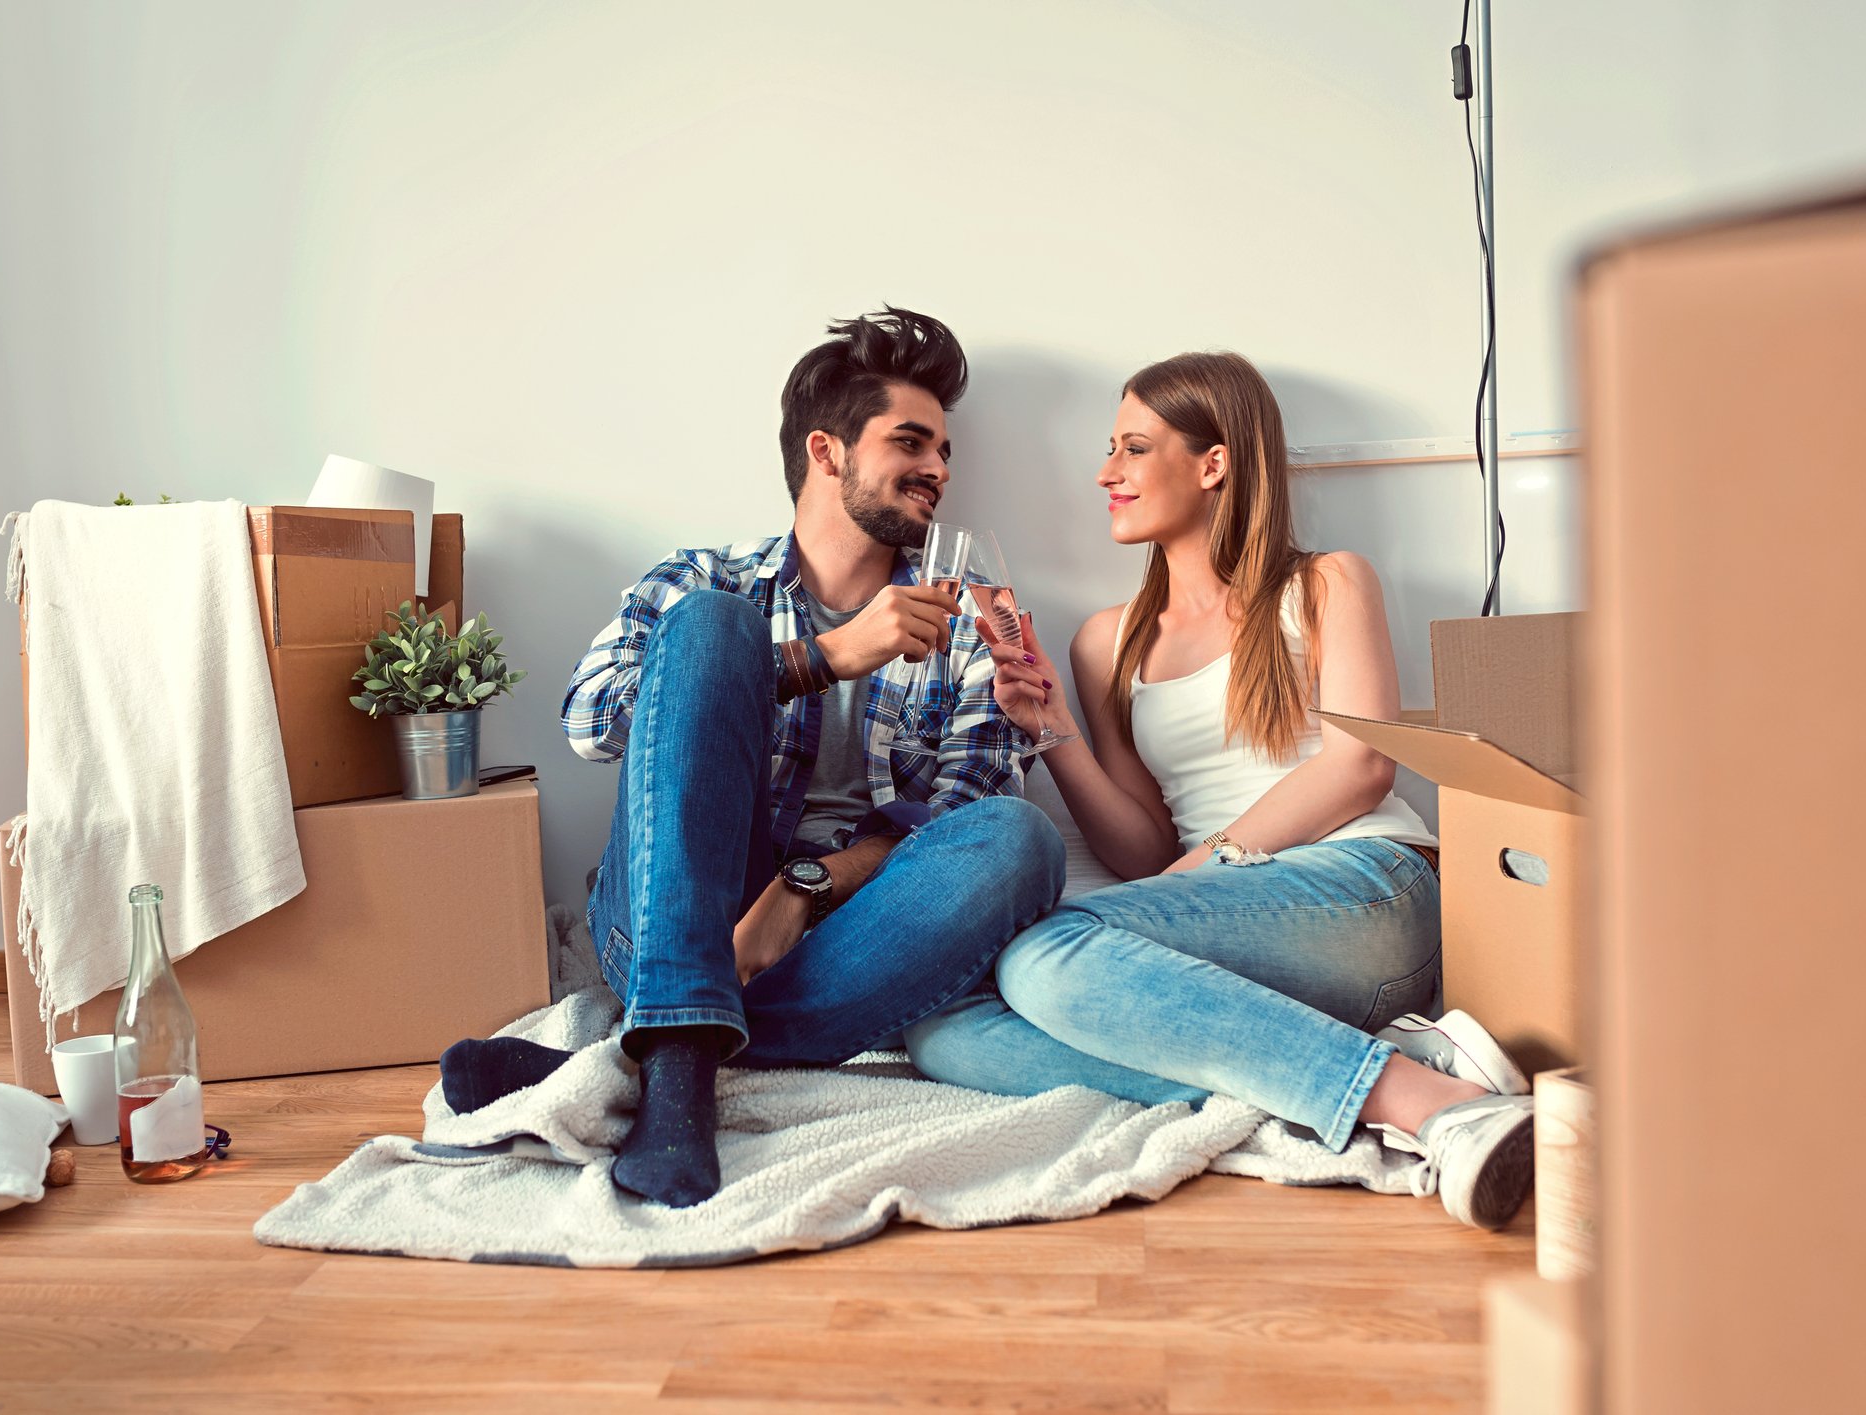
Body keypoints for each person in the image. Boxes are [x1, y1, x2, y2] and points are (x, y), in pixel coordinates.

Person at [437, 307, 1064, 1207]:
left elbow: (957, 818)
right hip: (668, 913)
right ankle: (683, 1050)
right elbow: (591, 722)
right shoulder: (706, 580)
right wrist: (820, 658)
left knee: (1020, 838)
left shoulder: (966, 621)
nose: (938, 468)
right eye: (911, 441)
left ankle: (642, 1060)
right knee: (707, 633)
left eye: (946, 451)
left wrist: (799, 889)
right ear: (827, 451)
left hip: (827, 934)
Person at [903, 351, 1537, 1230]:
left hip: (1365, 887)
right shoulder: (1106, 642)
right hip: (1236, 933)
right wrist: (1048, 727)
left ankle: (1429, 1108)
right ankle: (1374, 1075)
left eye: (1131, 447)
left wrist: (1204, 869)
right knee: (945, 1028)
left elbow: (1361, 765)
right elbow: (1141, 848)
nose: (1104, 473)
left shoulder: (1324, 582)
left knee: (1044, 956)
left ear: (1213, 463)